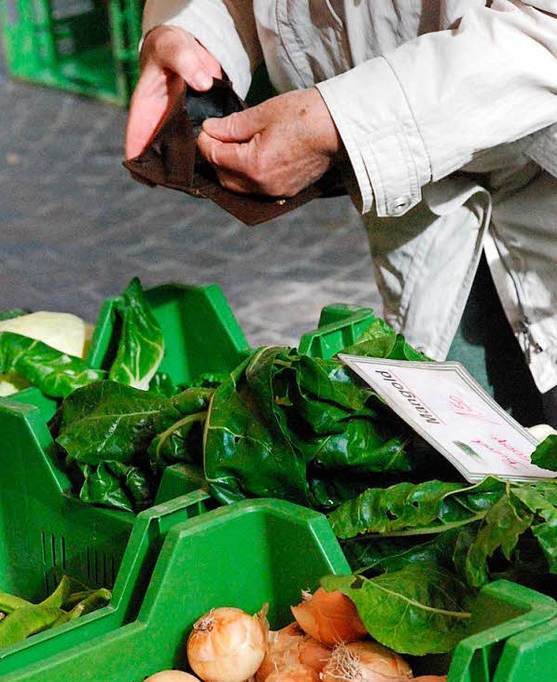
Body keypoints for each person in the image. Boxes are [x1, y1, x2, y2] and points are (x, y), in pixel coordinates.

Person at [125, 2, 557, 427]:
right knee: (476, 462)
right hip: (428, 215)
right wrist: (195, 33)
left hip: (541, 205)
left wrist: (337, 123)